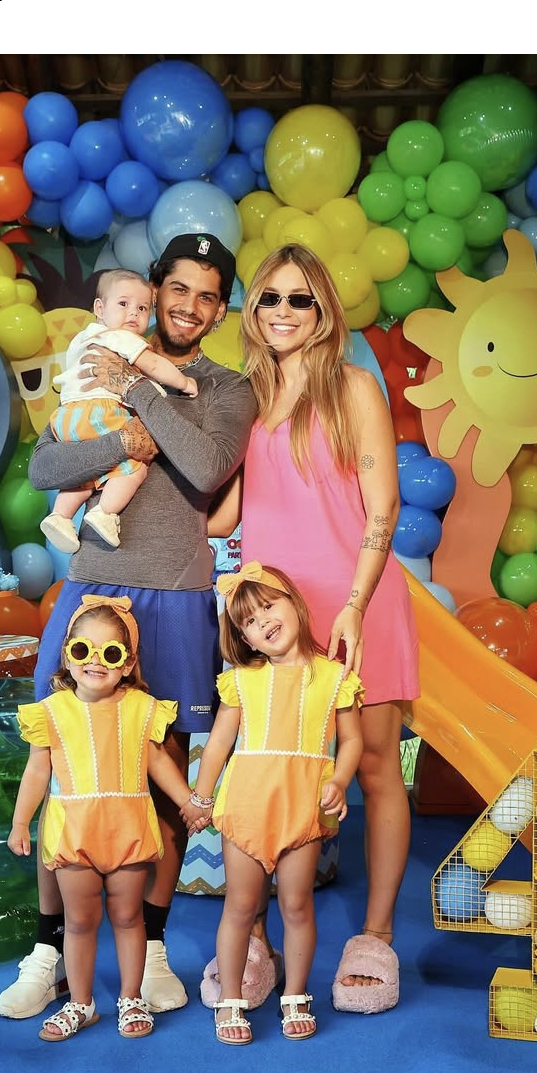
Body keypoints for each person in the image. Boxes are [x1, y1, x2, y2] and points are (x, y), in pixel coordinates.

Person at [0, 231, 256, 1022]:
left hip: (175, 593)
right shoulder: (92, 356)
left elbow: (206, 469)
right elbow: (45, 469)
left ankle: (158, 947)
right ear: (153, 288)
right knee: (66, 767)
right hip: (91, 585)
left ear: (221, 310)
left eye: (208, 295)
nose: (189, 306)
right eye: (178, 288)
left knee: (163, 771)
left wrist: (139, 389)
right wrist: (115, 437)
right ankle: (48, 952)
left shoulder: (228, 388)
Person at [205, 243, 420, 1015]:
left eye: (301, 298)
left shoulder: (354, 386)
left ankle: (376, 937)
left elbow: (383, 506)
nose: (284, 312)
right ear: (253, 312)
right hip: (271, 613)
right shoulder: (244, 397)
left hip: (358, 602)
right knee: (263, 770)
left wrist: (355, 604)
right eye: (270, 298)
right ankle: (255, 942)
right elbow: (225, 514)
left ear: (324, 310)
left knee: (375, 768)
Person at [182, 564, 362, 1044]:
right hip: (247, 805)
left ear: (294, 603)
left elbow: (351, 742)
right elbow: (218, 744)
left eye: (268, 606)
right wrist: (201, 798)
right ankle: (231, 998)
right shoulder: (243, 680)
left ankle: (296, 993)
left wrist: (340, 779)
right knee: (240, 906)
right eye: (248, 621)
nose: (262, 622)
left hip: (303, 806)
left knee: (297, 905)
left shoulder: (335, 677)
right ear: (244, 639)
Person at [7, 594, 194, 1041]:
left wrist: (188, 800)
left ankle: (131, 997)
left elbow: (158, 762)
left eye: (109, 653)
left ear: (127, 664)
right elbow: (37, 771)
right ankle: (81, 1002)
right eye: (82, 650)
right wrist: (20, 822)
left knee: (129, 918)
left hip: (128, 831)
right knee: (79, 921)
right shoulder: (51, 712)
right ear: (67, 656)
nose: (95, 661)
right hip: (73, 833)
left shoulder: (141, 708)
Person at [41, 268, 199, 554]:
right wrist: (183, 382)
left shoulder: (82, 339)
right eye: (123, 304)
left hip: (65, 418)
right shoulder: (120, 338)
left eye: (142, 308)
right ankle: (106, 513)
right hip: (101, 411)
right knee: (133, 466)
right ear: (99, 309)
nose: (134, 313)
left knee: (87, 473)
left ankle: (60, 516)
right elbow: (153, 365)